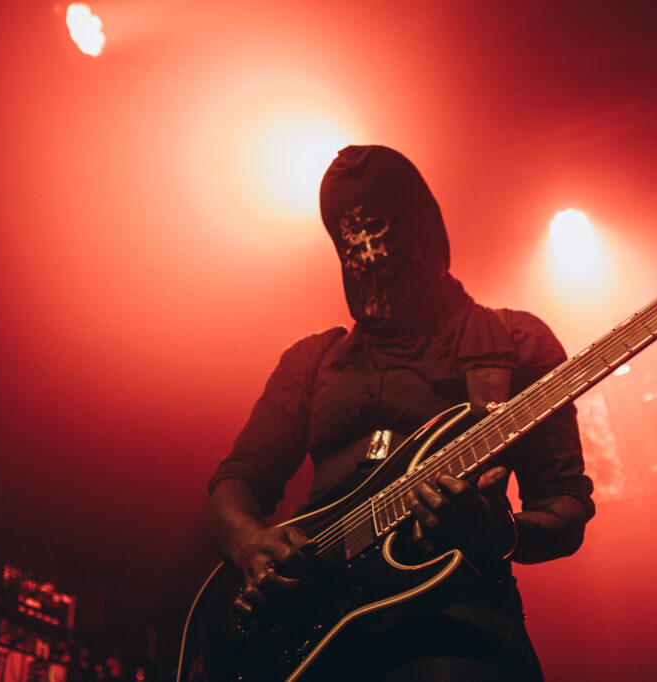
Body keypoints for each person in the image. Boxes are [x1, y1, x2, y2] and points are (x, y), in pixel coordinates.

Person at [206, 145, 595, 681]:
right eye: (352, 237)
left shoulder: (511, 342)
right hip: (311, 631)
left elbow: (564, 504)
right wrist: (251, 543)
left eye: (383, 228)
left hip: (455, 622)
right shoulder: (312, 360)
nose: (370, 252)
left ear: (425, 232)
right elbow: (237, 481)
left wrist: (497, 532)